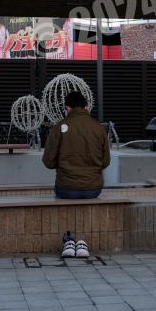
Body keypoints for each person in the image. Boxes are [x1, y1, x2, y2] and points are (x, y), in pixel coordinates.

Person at [42, 89, 111, 258]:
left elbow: (48, 162)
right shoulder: (98, 128)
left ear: (68, 107)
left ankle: (68, 240)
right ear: (86, 106)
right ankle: (82, 240)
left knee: (65, 199)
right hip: (93, 188)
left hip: (66, 187)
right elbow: (105, 161)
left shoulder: (59, 127)